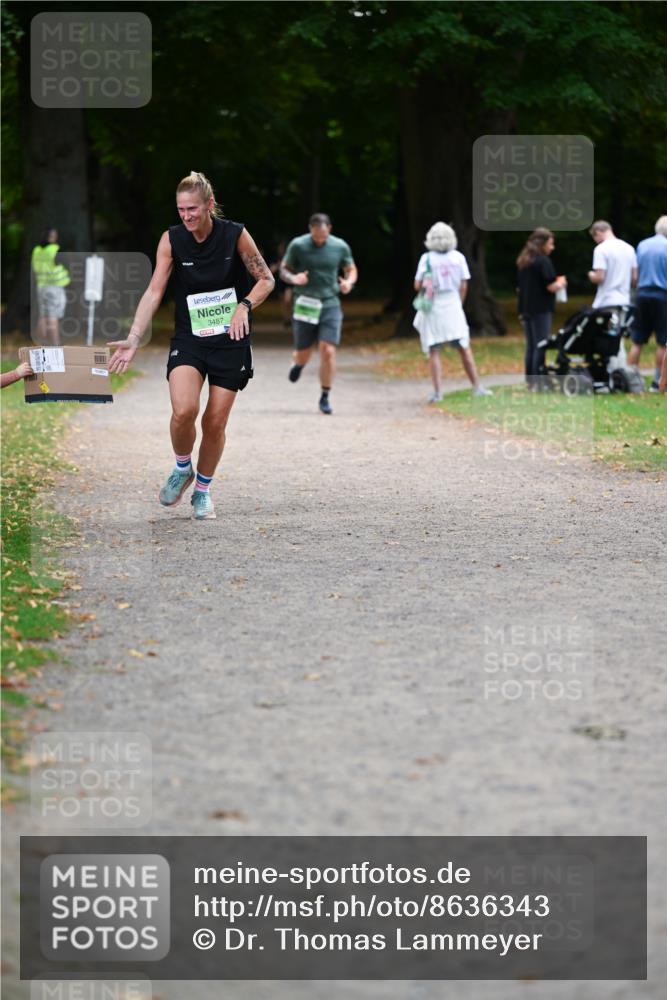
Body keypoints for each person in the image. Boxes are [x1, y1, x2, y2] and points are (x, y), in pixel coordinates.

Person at [108, 171, 274, 520]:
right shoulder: (171, 240)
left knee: (214, 422)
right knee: (184, 410)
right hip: (190, 338)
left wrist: (244, 306)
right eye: (181, 209)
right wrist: (135, 337)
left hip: (230, 339)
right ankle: (183, 467)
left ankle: (202, 490)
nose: (186, 216)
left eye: (193, 209)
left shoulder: (235, 235)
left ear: (209, 205)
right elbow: (155, 291)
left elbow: (265, 279)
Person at [280, 213, 357, 414]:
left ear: (329, 228)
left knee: (327, 350)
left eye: (323, 236)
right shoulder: (298, 245)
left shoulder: (340, 246)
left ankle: (325, 395)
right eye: (316, 237)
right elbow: (284, 270)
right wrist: (294, 278)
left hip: (330, 302)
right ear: (310, 229)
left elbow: (351, 268)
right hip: (305, 303)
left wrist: (349, 282)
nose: (319, 240)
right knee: (304, 352)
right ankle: (298, 364)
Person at [413, 222, 492, 401]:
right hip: (453, 304)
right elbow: (464, 284)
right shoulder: (458, 258)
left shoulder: (427, 259)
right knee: (464, 347)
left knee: (433, 349)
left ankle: (438, 392)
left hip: (432, 305)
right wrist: (459, 303)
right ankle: (477, 386)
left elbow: (417, 285)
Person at [516, 227, 567, 389]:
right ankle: (539, 381)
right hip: (541, 309)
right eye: (550, 244)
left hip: (526, 308)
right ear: (542, 244)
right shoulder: (543, 261)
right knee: (540, 345)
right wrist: (561, 283)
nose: (552, 247)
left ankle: (530, 381)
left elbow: (520, 289)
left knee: (531, 346)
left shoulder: (524, 261)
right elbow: (550, 286)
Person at [627, 215, 667, 392]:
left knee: (637, 341)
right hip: (662, 296)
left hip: (642, 295)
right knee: (662, 342)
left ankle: (629, 380)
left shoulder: (642, 245)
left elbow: (635, 273)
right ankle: (657, 383)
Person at [31, 228, 70, 345]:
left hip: (41, 286)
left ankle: (39, 343)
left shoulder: (37, 250)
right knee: (53, 316)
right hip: (54, 287)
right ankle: (55, 345)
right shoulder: (55, 249)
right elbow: (66, 264)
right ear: (52, 237)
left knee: (43, 315)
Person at [587, 220, 637, 309]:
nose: (595, 241)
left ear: (598, 232)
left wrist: (591, 275)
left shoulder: (601, 249)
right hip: (625, 301)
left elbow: (599, 277)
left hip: (606, 301)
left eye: (594, 237)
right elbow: (634, 278)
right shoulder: (629, 248)